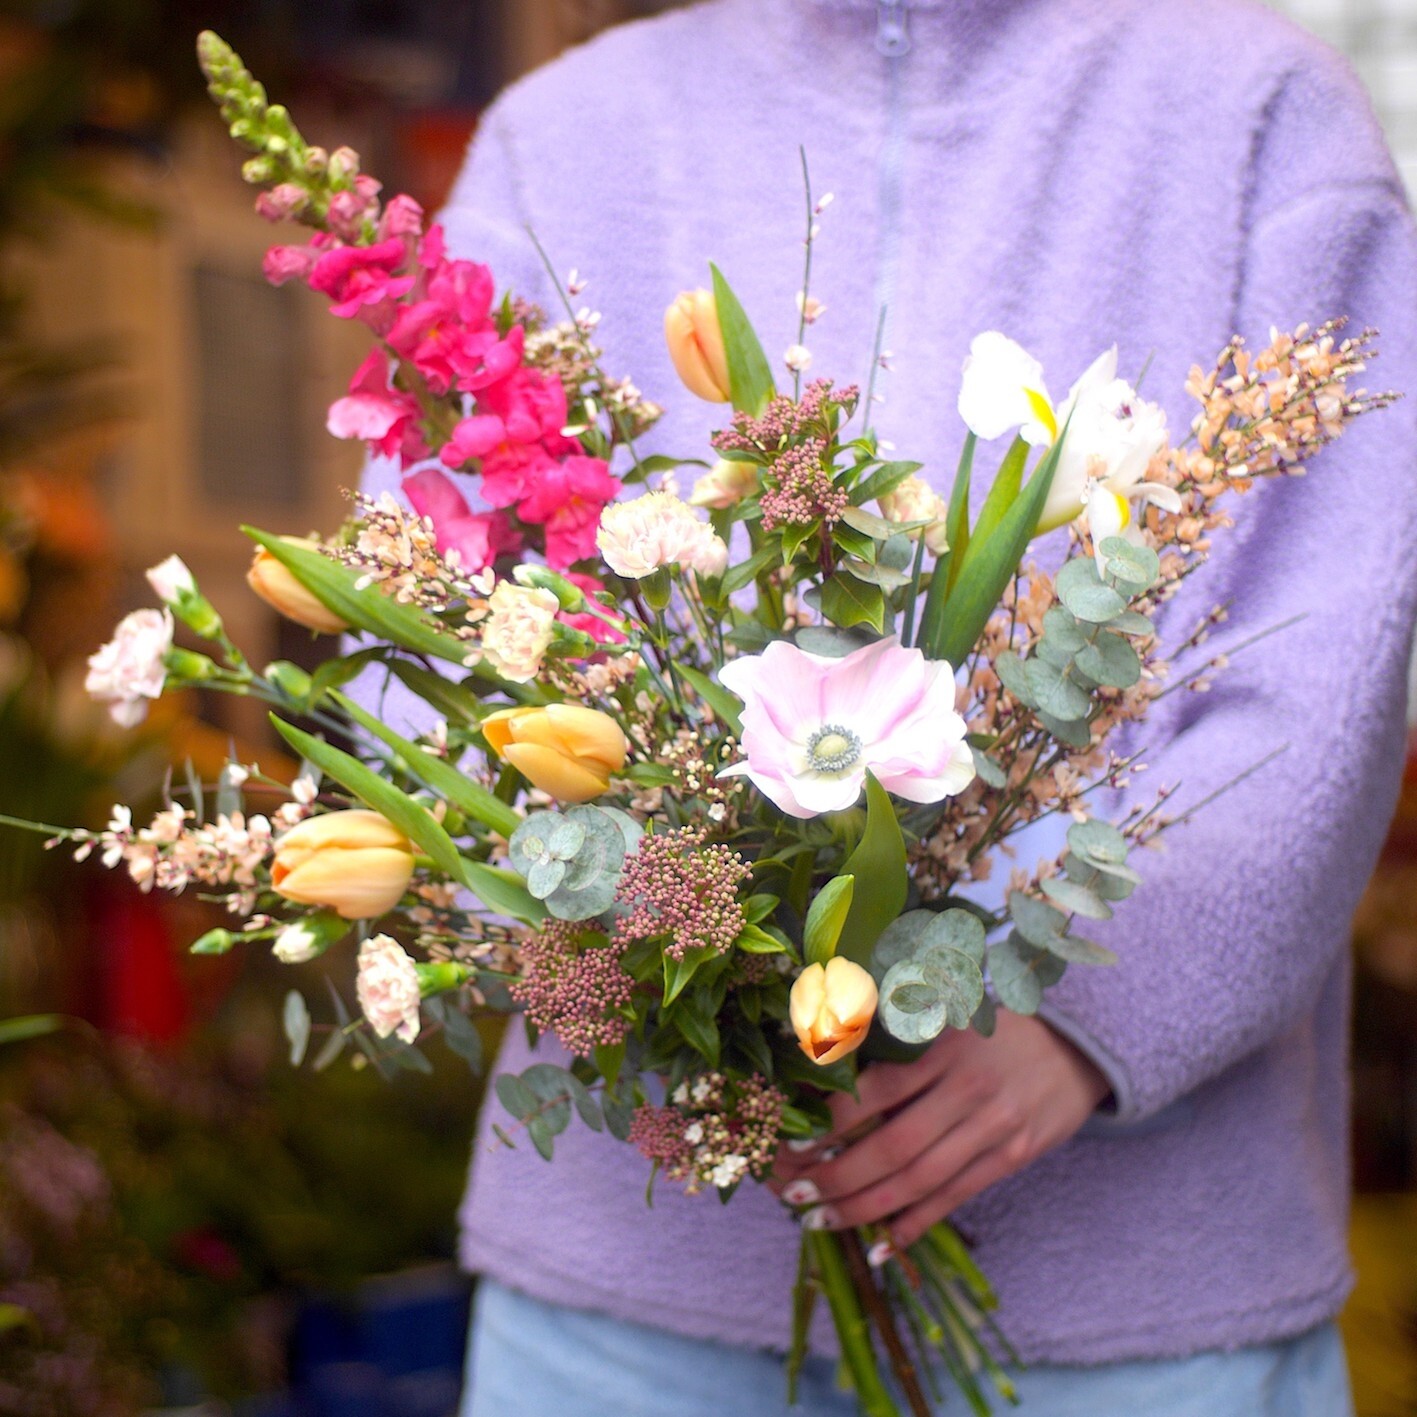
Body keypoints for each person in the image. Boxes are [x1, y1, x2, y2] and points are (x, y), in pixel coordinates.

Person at [363, 1, 1417, 1411]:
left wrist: (1097, 1005)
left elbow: (1326, 652)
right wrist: (675, 972)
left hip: (1140, 1311)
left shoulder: (1259, 109)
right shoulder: (560, 138)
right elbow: (420, 637)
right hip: (630, 1304)